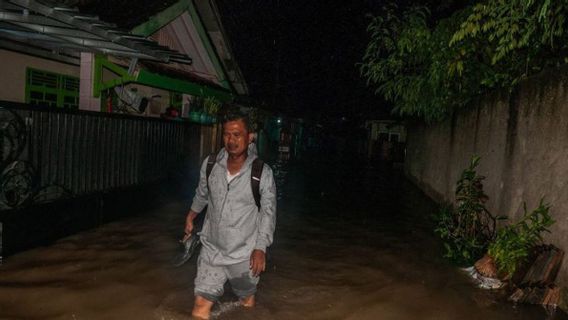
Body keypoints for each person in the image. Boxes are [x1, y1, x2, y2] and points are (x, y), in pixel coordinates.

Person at [184, 111, 277, 319]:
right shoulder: (210, 165)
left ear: (250, 136)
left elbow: (268, 213)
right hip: (211, 251)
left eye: (237, 134)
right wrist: (191, 215)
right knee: (200, 308)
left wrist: (260, 248)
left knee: (246, 304)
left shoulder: (262, 173)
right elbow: (202, 193)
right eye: (227, 135)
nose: (231, 140)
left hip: (244, 256)